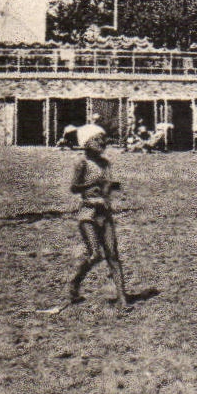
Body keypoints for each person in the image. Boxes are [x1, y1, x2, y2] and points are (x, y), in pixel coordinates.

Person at [64, 125, 131, 312]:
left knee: (113, 256)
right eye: (97, 139)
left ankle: (122, 299)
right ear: (86, 142)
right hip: (87, 211)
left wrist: (110, 186)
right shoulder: (82, 163)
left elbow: (107, 188)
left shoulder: (105, 163)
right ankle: (75, 283)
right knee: (95, 254)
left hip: (104, 211)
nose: (102, 143)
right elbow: (74, 188)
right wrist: (92, 184)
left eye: (104, 139)